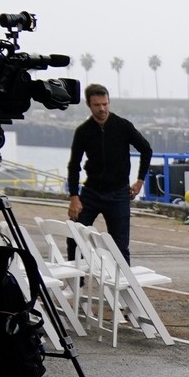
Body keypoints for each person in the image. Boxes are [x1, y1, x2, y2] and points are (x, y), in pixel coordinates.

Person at [67, 83, 152, 263]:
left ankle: (123, 287)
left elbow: (146, 150)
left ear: (109, 102)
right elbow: (74, 165)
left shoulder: (123, 126)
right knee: (74, 237)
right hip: (91, 193)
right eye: (97, 105)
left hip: (118, 193)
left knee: (120, 246)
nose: (102, 109)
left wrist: (140, 181)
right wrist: (74, 197)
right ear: (89, 105)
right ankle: (76, 283)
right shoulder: (83, 131)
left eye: (105, 104)